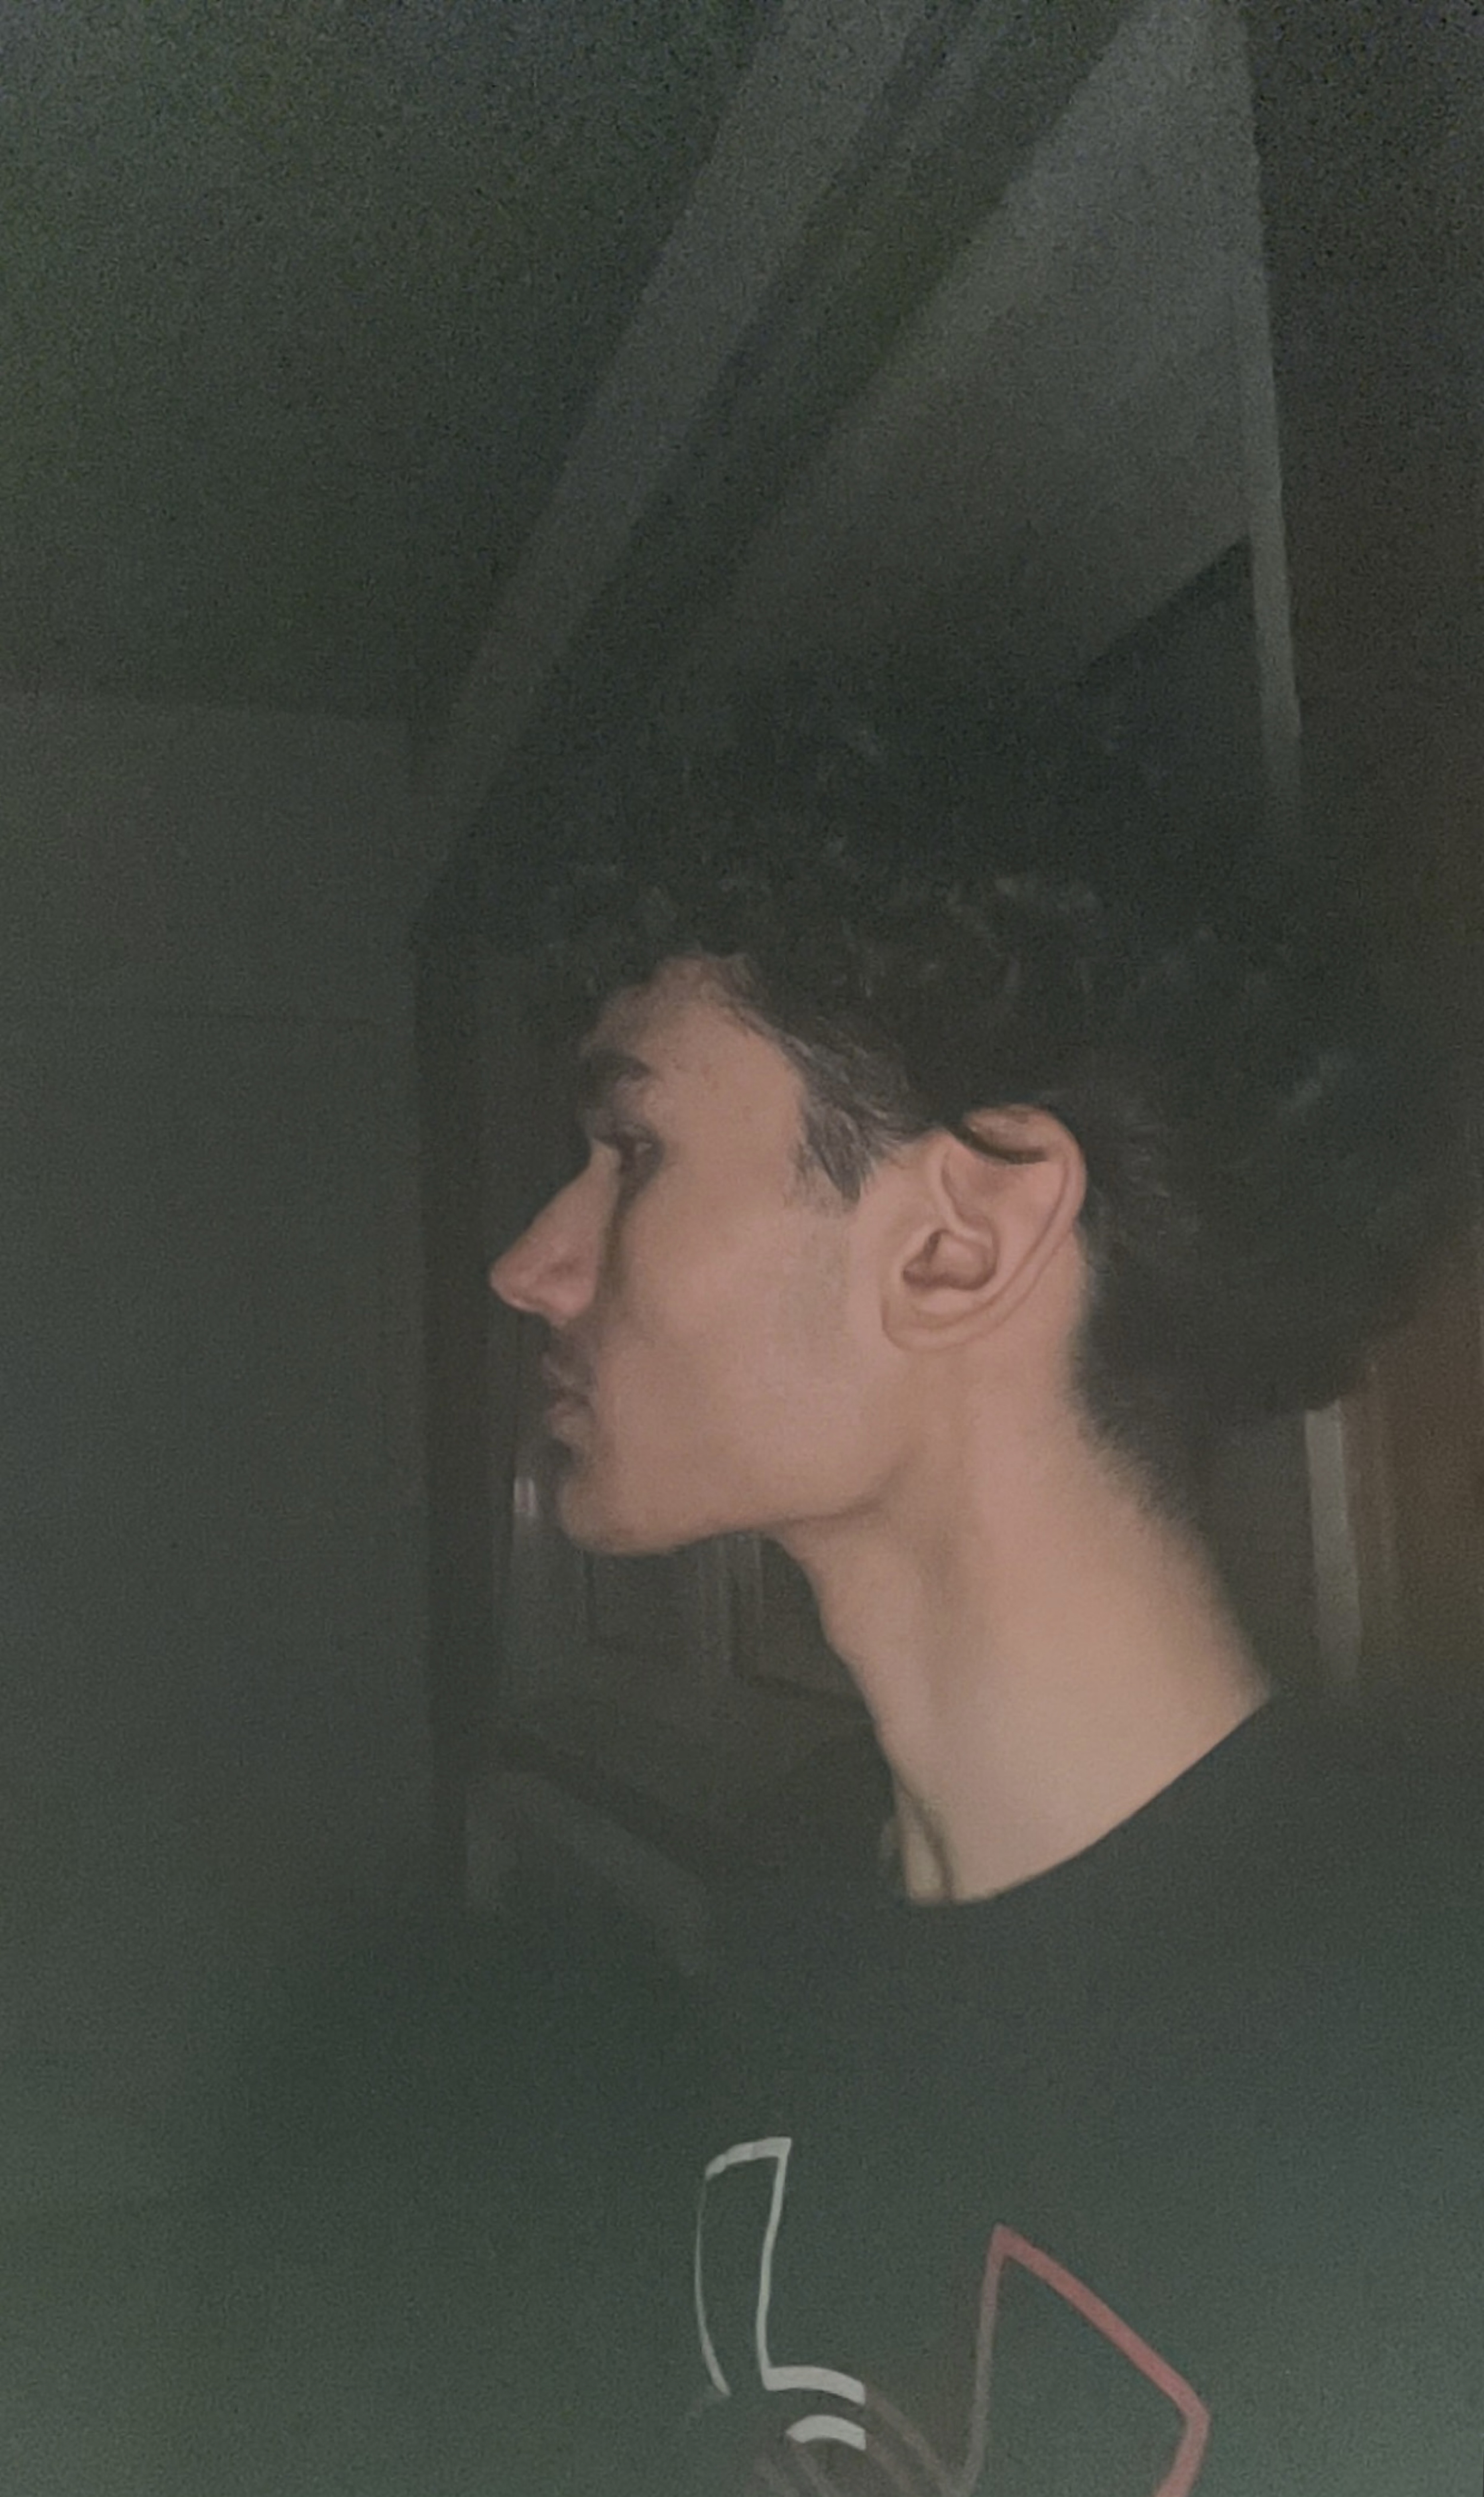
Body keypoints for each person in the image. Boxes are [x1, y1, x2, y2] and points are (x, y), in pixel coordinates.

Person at [488, 716, 1484, 2495]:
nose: (530, 1263)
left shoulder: (1420, 2053)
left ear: (958, 1243)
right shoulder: (791, 1896)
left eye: (630, 1151)